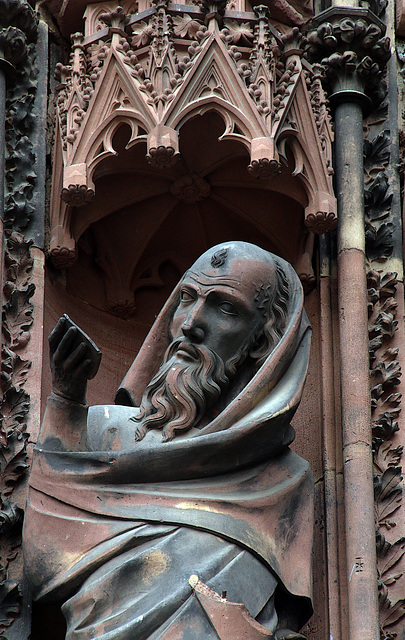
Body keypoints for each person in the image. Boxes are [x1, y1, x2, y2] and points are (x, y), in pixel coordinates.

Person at [23, 241, 314, 640]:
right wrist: (65, 403)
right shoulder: (104, 431)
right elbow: (42, 565)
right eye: (187, 299)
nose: (191, 323)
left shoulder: (283, 479)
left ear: (262, 341)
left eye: (225, 308)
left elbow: (284, 622)